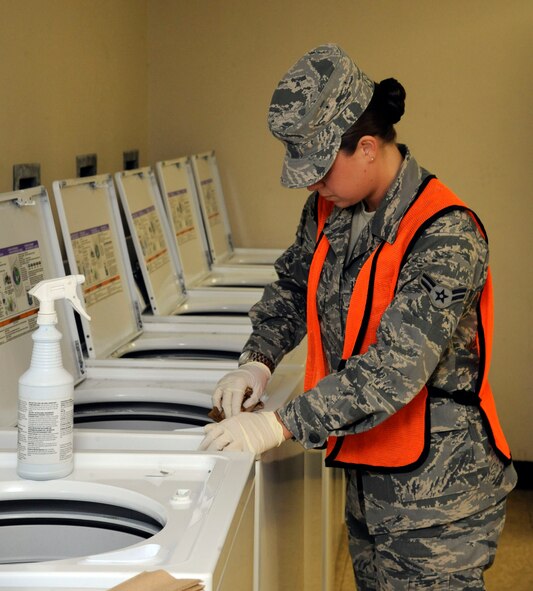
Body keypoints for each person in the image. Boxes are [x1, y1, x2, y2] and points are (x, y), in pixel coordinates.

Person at [200, 44, 517, 590]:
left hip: (439, 502)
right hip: (370, 483)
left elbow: (396, 366)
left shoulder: (446, 233)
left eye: (320, 170)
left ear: (367, 148)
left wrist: (279, 423)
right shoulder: (331, 210)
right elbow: (295, 285)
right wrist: (256, 361)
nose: (310, 185)